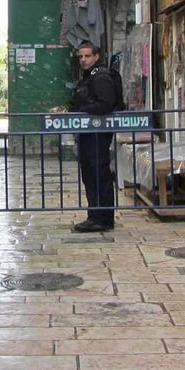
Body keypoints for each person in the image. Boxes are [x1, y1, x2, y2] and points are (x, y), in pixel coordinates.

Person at [68, 42, 120, 232]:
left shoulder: (101, 77)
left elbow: (104, 104)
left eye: (87, 56)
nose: (83, 60)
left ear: (96, 56)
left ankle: (102, 218)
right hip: (88, 134)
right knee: (90, 175)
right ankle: (95, 215)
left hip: (97, 134)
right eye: (80, 57)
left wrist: (81, 111)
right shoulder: (88, 77)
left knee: (99, 175)